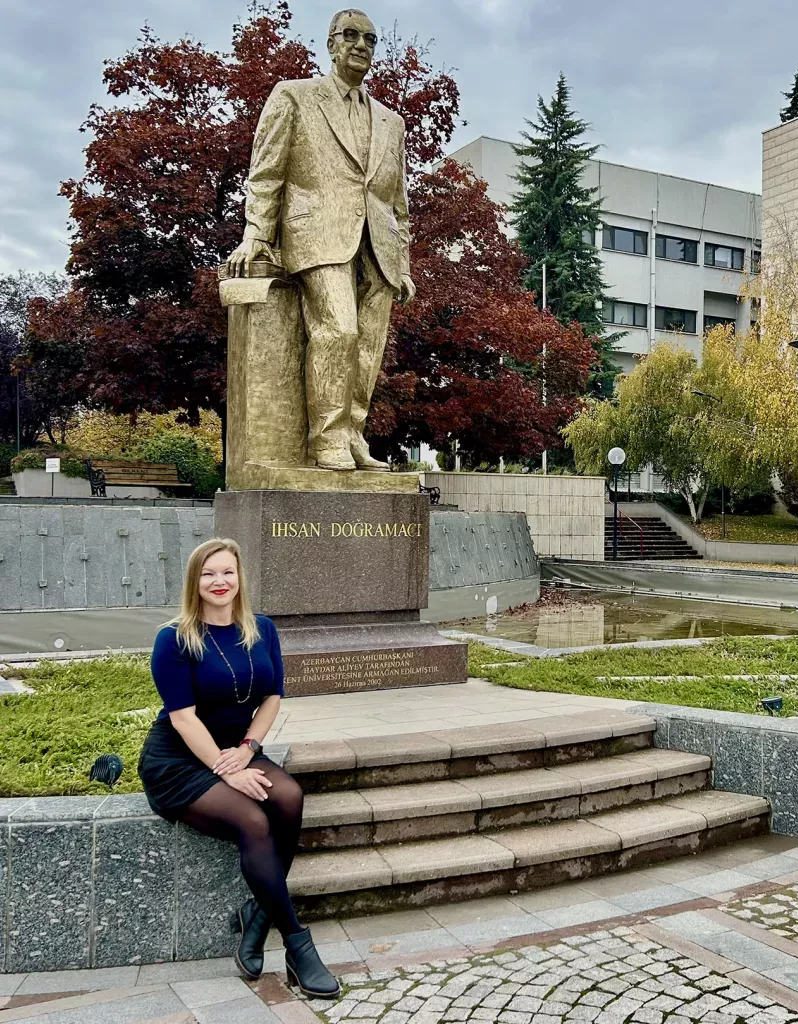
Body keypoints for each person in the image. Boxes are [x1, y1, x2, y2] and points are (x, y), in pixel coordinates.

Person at [138, 538, 339, 999]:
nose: (219, 582)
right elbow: (183, 718)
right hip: (181, 760)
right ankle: (297, 943)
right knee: (252, 818)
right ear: (195, 581)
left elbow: (273, 697)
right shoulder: (174, 638)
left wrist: (248, 749)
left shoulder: (261, 629)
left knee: (288, 796)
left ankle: (259, 915)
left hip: (236, 749)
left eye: (227, 572)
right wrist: (227, 770)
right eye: (209, 574)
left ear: (239, 578)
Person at [225, 6, 416, 473]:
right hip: (317, 236)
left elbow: (397, 199)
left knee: (368, 347)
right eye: (349, 36)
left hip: (379, 247)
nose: (360, 46)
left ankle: (352, 434)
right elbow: (266, 172)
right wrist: (255, 233)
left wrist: (404, 261)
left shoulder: (392, 122)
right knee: (339, 331)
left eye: (370, 40)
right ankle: (325, 438)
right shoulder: (294, 96)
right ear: (330, 44)